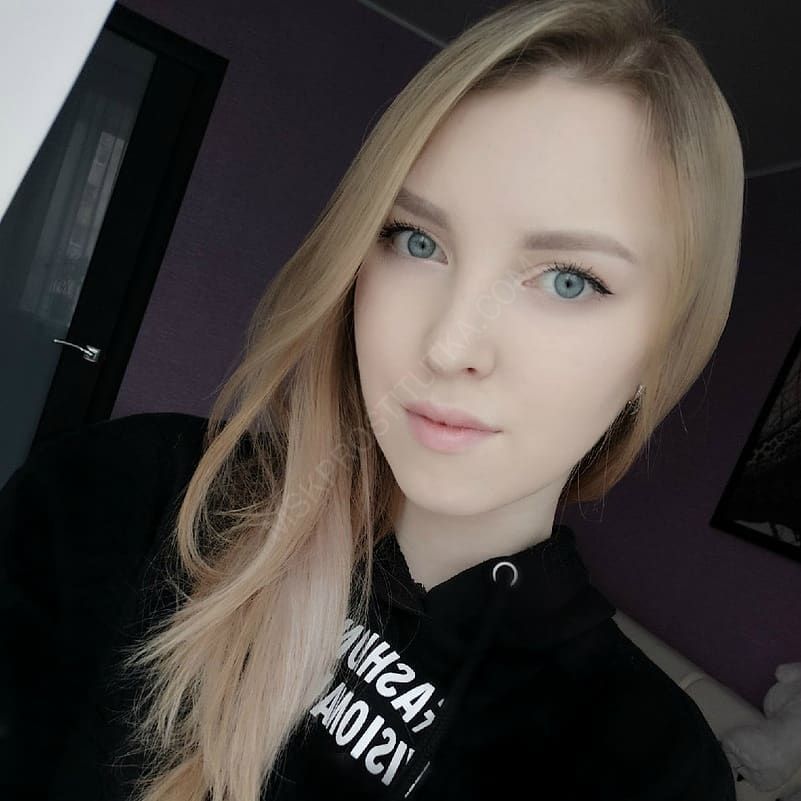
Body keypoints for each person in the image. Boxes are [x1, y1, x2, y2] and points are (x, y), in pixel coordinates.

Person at [0, 0, 744, 799]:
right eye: (416, 240)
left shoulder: (653, 769)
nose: (449, 346)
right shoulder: (128, 494)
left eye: (568, 280)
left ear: (661, 348)